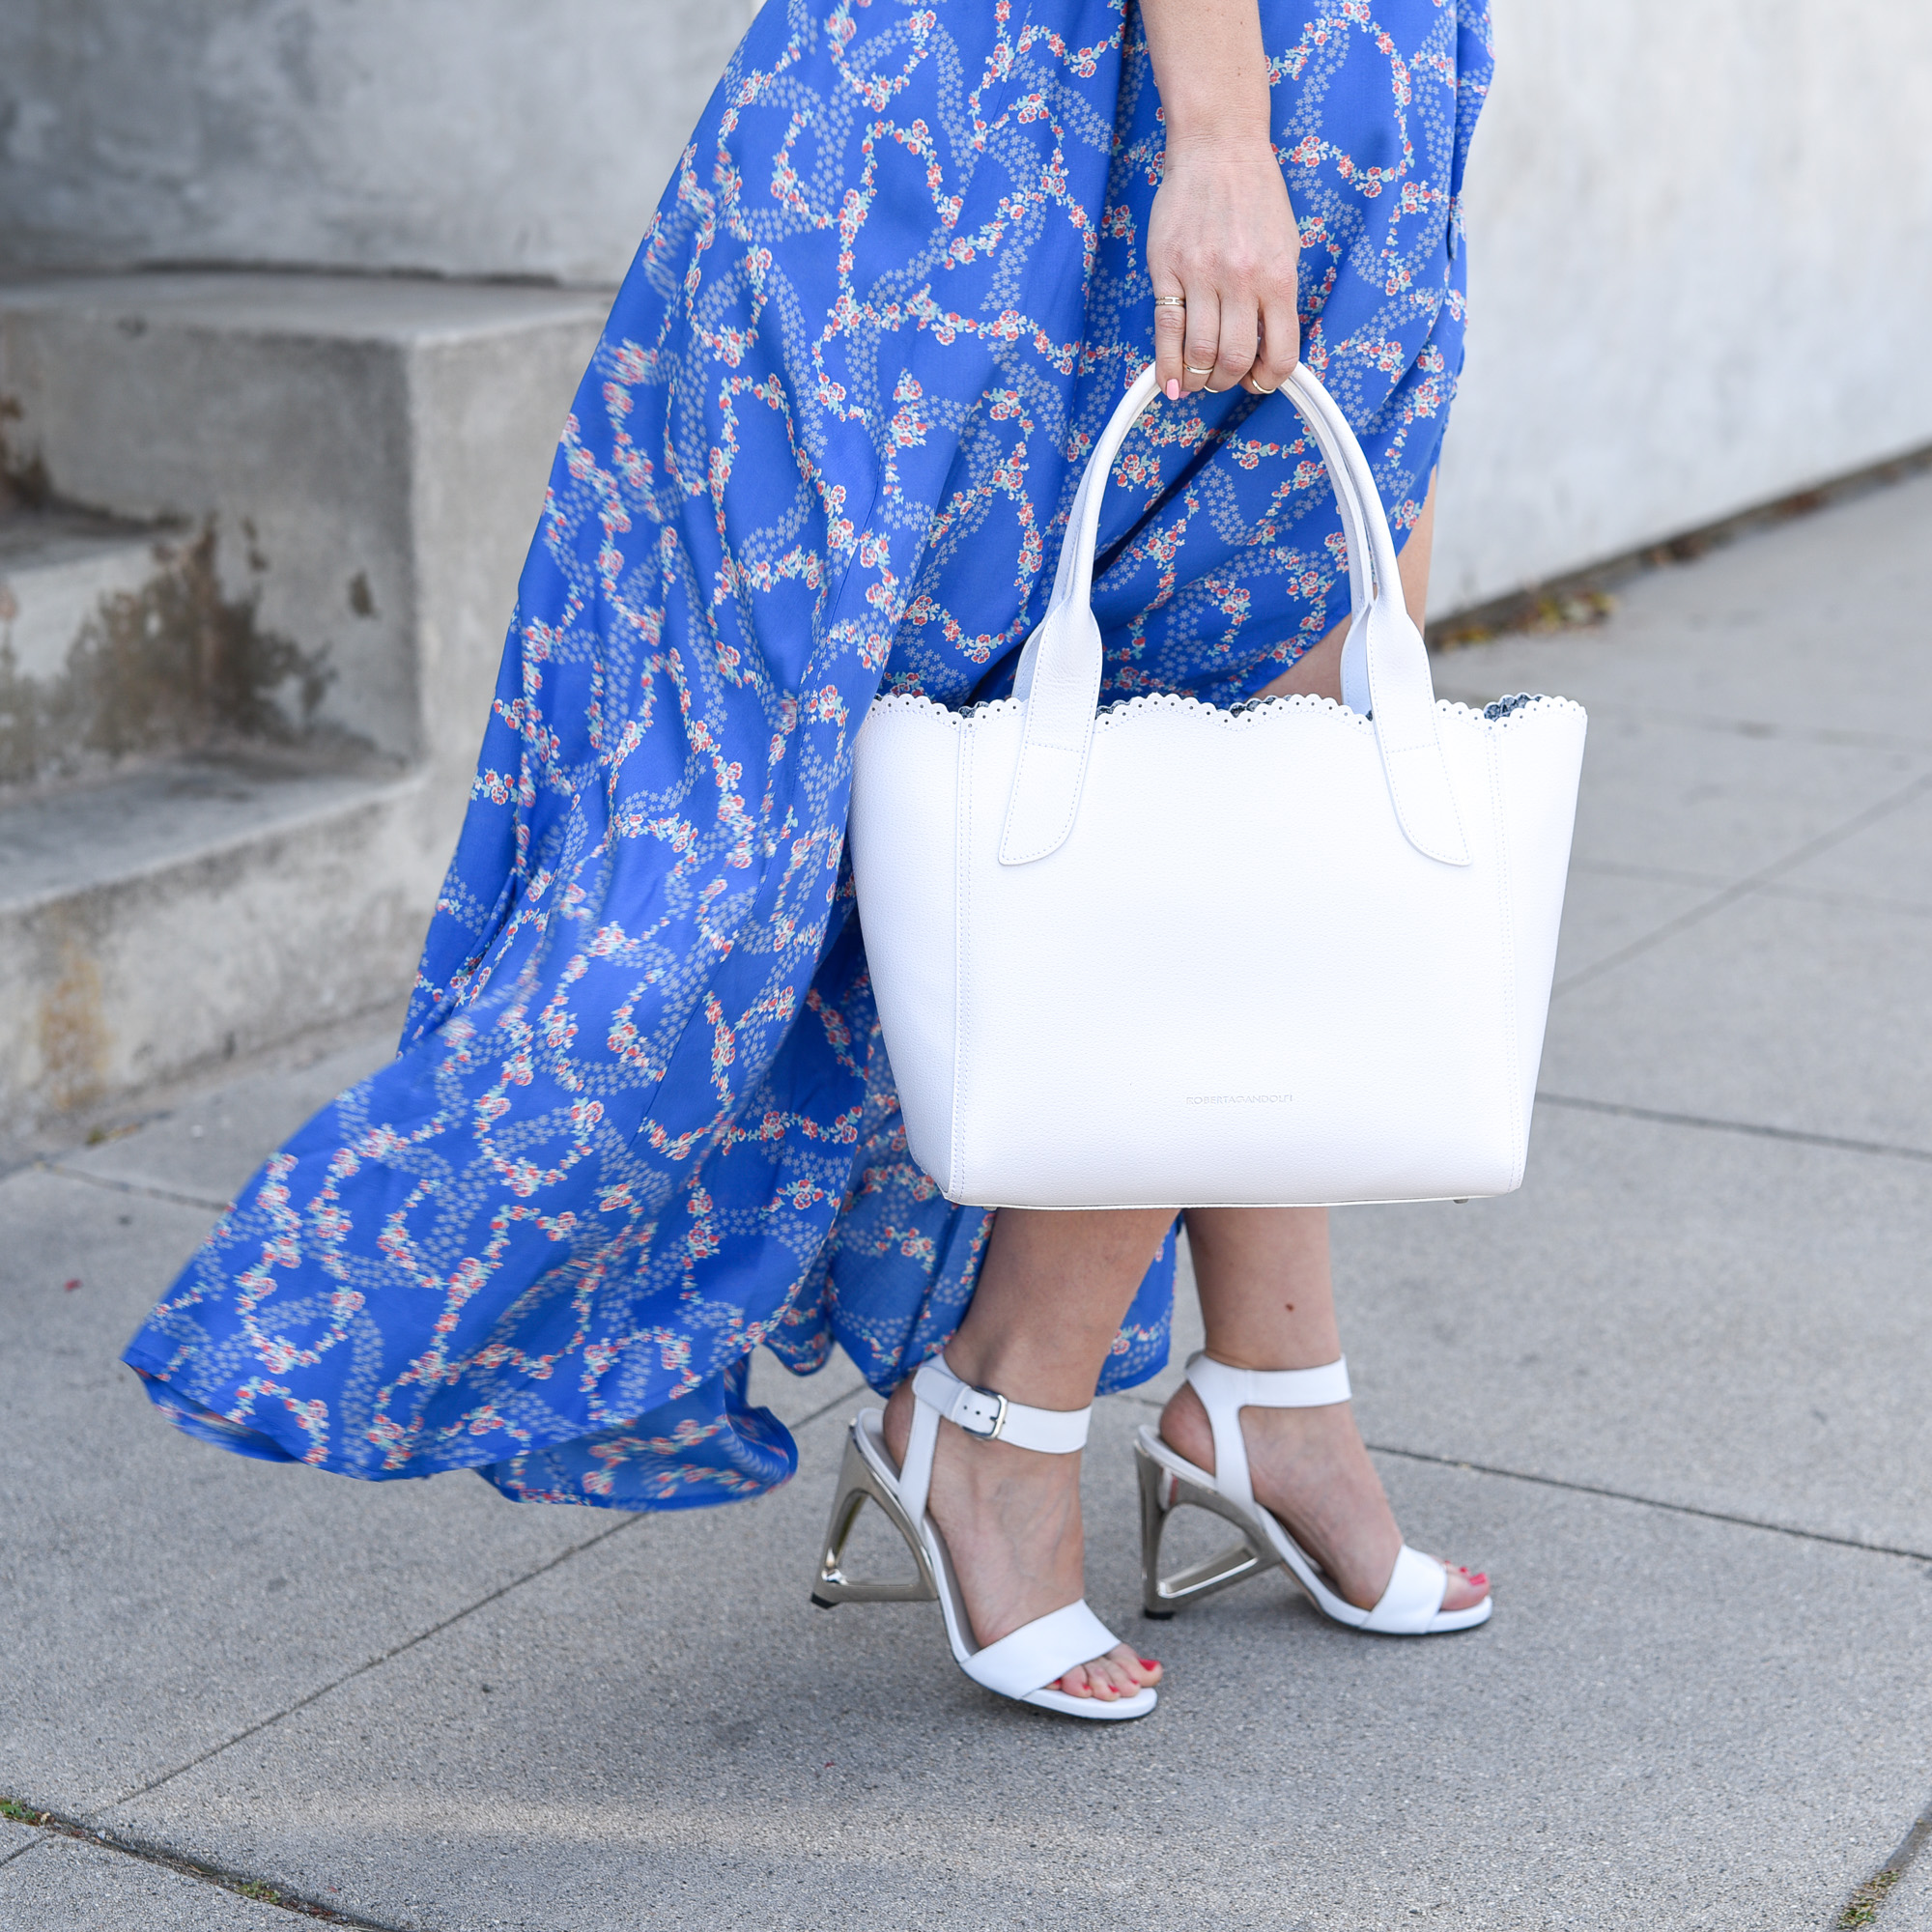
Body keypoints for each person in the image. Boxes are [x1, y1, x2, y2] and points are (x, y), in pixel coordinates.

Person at [125, 0, 1493, 1715]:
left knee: (1258, 756)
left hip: (1268, 90)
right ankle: (997, 1421)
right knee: (1083, 782)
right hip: (1084, 111)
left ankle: (1275, 1397)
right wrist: (1223, 129)